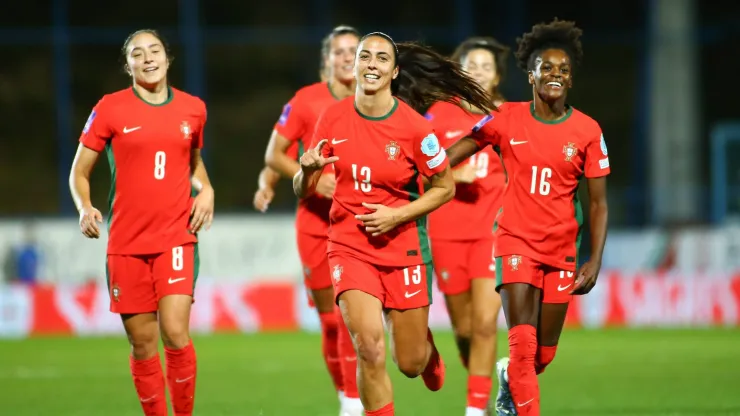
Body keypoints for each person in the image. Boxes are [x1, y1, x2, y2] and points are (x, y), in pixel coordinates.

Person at [294, 32, 495, 416]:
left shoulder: (415, 128)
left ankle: (426, 351)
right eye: (364, 56)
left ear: (394, 71)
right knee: (368, 347)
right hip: (349, 245)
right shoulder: (331, 117)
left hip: (403, 247)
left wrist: (396, 215)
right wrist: (306, 174)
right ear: (355, 66)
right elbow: (304, 189)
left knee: (410, 364)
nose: (371, 64)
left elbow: (445, 188)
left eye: (381, 58)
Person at [445, 19, 610, 416]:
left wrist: (595, 259)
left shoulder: (587, 131)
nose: (555, 74)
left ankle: (507, 381)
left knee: (542, 356)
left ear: (570, 80)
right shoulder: (505, 117)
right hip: (515, 242)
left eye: (563, 70)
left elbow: (599, 203)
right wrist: (426, 163)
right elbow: (452, 153)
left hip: (561, 250)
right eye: (547, 68)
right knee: (522, 347)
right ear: (530, 73)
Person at [69, 29, 214, 416]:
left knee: (176, 331)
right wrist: (85, 206)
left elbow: (193, 164)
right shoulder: (110, 108)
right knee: (143, 344)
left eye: (155, 50)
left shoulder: (193, 108)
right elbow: (79, 171)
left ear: (168, 58)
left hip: (176, 237)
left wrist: (208, 190)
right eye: (137, 53)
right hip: (127, 243)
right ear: (127, 64)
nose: (147, 58)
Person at [264, 25, 365, 415]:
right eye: (339, 51)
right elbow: (274, 155)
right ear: (327, 60)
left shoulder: (375, 102)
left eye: (353, 50)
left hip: (357, 223)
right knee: (329, 320)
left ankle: (354, 402)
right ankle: (345, 392)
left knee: (349, 314)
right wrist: (311, 178)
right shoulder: (307, 101)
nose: (346, 57)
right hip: (314, 224)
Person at [424, 37, 509, 416]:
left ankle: (476, 408)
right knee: (463, 330)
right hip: (445, 233)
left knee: (486, 323)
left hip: (492, 233)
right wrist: (456, 173)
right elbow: (417, 172)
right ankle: (483, 385)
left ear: (497, 77)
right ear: (458, 71)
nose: (477, 70)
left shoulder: (509, 116)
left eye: (486, 66)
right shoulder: (437, 114)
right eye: (470, 64)